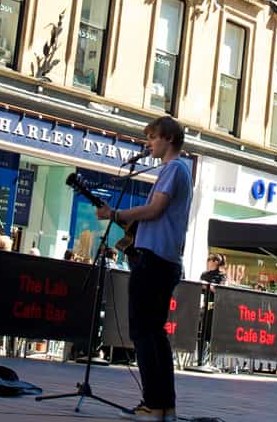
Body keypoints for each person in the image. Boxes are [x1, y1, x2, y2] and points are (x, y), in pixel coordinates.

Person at [96, 116, 191, 422]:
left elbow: (155, 210)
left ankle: (153, 404)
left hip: (154, 261)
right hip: (164, 260)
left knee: (143, 331)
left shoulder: (173, 168)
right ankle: (165, 405)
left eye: (152, 138)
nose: (147, 144)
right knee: (155, 333)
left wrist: (116, 213)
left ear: (168, 140)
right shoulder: (179, 170)